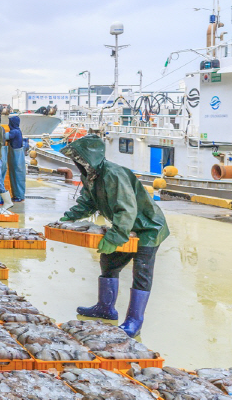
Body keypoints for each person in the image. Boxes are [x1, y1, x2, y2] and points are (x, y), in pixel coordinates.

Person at [59, 135, 169, 337]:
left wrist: (115, 237)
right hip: (126, 226)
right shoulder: (90, 176)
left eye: (80, 159)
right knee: (109, 262)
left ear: (90, 158)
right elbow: (88, 202)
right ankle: (105, 308)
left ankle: (134, 321)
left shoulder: (114, 175)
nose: (77, 163)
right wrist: (67, 218)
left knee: (142, 272)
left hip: (148, 227)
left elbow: (125, 210)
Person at [6, 114, 27, 203]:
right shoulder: (18, 130)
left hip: (16, 157)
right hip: (16, 156)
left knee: (17, 176)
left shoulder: (14, 132)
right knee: (14, 175)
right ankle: (17, 195)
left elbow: (4, 136)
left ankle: (19, 195)